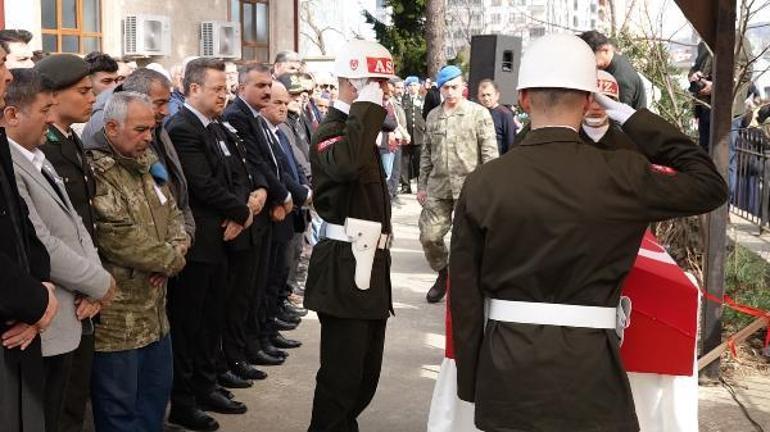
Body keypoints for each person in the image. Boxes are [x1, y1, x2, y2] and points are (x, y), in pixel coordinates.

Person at [449, 33, 727, 432]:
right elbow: (710, 185)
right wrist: (631, 116)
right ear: (588, 101)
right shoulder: (622, 174)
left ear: (524, 99)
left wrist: (473, 382)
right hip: (590, 375)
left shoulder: (484, 183)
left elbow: (465, 293)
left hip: (507, 372)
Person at [4, 68, 116, 432]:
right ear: (12, 115)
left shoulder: (40, 156)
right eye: (44, 111)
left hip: (77, 310)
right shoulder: (12, 164)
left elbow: (79, 227)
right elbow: (43, 243)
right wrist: (99, 283)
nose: (52, 120)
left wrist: (96, 284)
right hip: (46, 320)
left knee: (69, 413)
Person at [305, 39, 395, 432]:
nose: (385, 89)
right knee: (341, 381)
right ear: (354, 82)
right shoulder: (332, 128)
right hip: (344, 266)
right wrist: (365, 106)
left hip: (370, 264)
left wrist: (367, 109)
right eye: (376, 81)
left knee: (364, 378)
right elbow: (345, 165)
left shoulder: (360, 126)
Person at [87, 92, 188, 431]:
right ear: (112, 127)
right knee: (120, 413)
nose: (149, 137)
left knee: (154, 403)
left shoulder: (148, 163)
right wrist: (170, 261)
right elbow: (116, 235)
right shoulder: (97, 171)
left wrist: (175, 249)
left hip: (157, 316)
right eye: (141, 129)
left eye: (152, 128)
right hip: (119, 322)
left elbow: (172, 211)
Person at [166, 58, 252, 431]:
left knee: (211, 321)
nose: (225, 95)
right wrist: (242, 211)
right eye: (217, 89)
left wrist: (241, 209)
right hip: (199, 244)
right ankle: (184, 401)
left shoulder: (216, 127)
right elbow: (201, 184)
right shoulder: (182, 128)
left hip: (222, 239)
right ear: (193, 88)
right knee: (190, 326)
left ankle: (206, 385)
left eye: (225, 88)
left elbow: (236, 174)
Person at [34, 53, 101, 432]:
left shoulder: (71, 140)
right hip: (63, 292)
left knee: (74, 399)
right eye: (83, 91)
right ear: (53, 96)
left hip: (85, 289)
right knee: (57, 406)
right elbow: (49, 232)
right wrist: (88, 283)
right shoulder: (40, 149)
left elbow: (84, 221)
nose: (92, 98)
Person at [223, 63, 302, 367]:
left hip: (269, 211)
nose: (267, 91)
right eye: (260, 86)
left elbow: (274, 162)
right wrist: (280, 194)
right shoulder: (237, 117)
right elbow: (256, 165)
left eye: (269, 85)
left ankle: (256, 342)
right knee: (245, 293)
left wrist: (282, 193)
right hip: (254, 215)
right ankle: (242, 351)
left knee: (261, 287)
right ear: (241, 88)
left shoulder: (254, 117)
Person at [0, 41, 59, 432]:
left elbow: (19, 222)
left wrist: (43, 286)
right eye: (2, 64)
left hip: (22, 317)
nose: (7, 75)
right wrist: (37, 301)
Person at [83, 68, 197, 248]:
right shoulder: (109, 128)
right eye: (159, 103)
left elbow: (169, 191)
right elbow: (118, 230)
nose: (166, 111)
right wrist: (166, 257)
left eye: (167, 102)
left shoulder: (154, 126)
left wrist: (183, 237)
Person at [418, 65, 497, 304]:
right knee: (429, 236)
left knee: (468, 242)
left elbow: (490, 153)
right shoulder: (433, 116)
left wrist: (490, 187)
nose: (450, 92)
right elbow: (426, 153)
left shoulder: (478, 114)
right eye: (445, 88)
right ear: (440, 89)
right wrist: (422, 185)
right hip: (438, 187)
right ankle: (444, 273)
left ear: (463, 87)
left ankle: (465, 286)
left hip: (469, 187)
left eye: (454, 87)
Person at [260, 81, 311, 350]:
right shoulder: (262, 131)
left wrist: (304, 189)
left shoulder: (280, 132)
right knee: (268, 279)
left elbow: (294, 167)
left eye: (284, 102)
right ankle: (262, 336)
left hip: (291, 208)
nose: (283, 107)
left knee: (282, 270)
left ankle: (271, 326)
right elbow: (275, 173)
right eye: (276, 102)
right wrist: (295, 195)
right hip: (276, 211)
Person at [579, 30, 646, 109]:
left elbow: (621, 114)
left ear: (605, 50)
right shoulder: (612, 64)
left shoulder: (621, 78)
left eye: (591, 56)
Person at [477, 79, 515, 154]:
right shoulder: (477, 113)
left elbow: (511, 141)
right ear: (478, 96)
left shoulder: (505, 114)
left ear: (497, 95)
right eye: (483, 95)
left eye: (489, 95)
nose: (486, 99)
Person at [400, 75, 424, 194]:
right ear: (407, 87)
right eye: (410, 85)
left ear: (419, 86)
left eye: (415, 85)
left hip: (420, 135)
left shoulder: (423, 99)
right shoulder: (403, 100)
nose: (413, 88)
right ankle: (406, 185)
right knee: (404, 161)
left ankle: (421, 185)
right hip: (407, 135)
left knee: (420, 161)